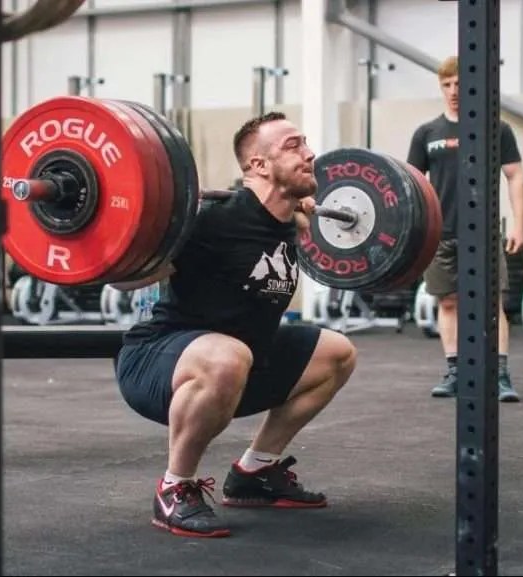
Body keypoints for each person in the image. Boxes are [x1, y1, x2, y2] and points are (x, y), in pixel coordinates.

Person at [113, 111, 358, 538]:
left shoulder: (285, 220)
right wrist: (143, 236)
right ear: (259, 166)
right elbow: (124, 278)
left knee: (337, 353)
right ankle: (175, 488)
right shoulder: (211, 218)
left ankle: (254, 473)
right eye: (293, 146)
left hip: (241, 362)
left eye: (305, 143)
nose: (309, 153)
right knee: (230, 355)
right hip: (158, 361)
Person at [406, 55, 523, 402]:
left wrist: (519, 225)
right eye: (447, 84)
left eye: (460, 83)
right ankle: (456, 371)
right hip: (440, 235)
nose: (454, 91)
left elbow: (515, 176)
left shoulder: (496, 128)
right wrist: (415, 231)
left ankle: (500, 374)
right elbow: (412, 184)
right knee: (447, 303)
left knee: (493, 305)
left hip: (485, 233)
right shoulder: (427, 133)